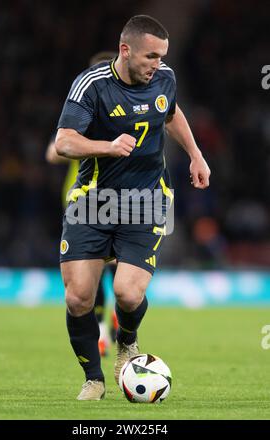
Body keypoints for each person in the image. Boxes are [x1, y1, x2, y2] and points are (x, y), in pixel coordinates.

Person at [55, 15, 211, 400]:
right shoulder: (91, 85)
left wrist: (195, 154)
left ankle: (127, 342)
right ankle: (93, 378)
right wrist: (107, 146)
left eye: (162, 56)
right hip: (93, 201)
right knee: (78, 297)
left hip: (147, 200)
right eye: (150, 56)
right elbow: (64, 142)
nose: (157, 64)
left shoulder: (164, 78)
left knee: (126, 293)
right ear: (125, 50)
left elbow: (171, 113)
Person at [46, 52, 118, 357]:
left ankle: (116, 322)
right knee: (94, 272)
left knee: (117, 267)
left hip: (117, 200)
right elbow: (53, 153)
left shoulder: (122, 114)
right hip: (81, 203)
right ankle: (104, 325)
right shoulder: (80, 113)